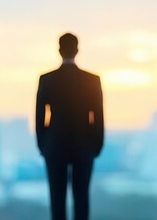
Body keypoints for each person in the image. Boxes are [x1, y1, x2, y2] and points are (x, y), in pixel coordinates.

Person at [36, 33, 104, 220]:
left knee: (57, 200)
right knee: (81, 198)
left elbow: (40, 116)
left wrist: (43, 145)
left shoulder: (47, 79)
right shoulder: (91, 80)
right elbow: (97, 115)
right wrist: (96, 146)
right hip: (84, 144)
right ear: (77, 50)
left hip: (54, 144)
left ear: (59, 50)